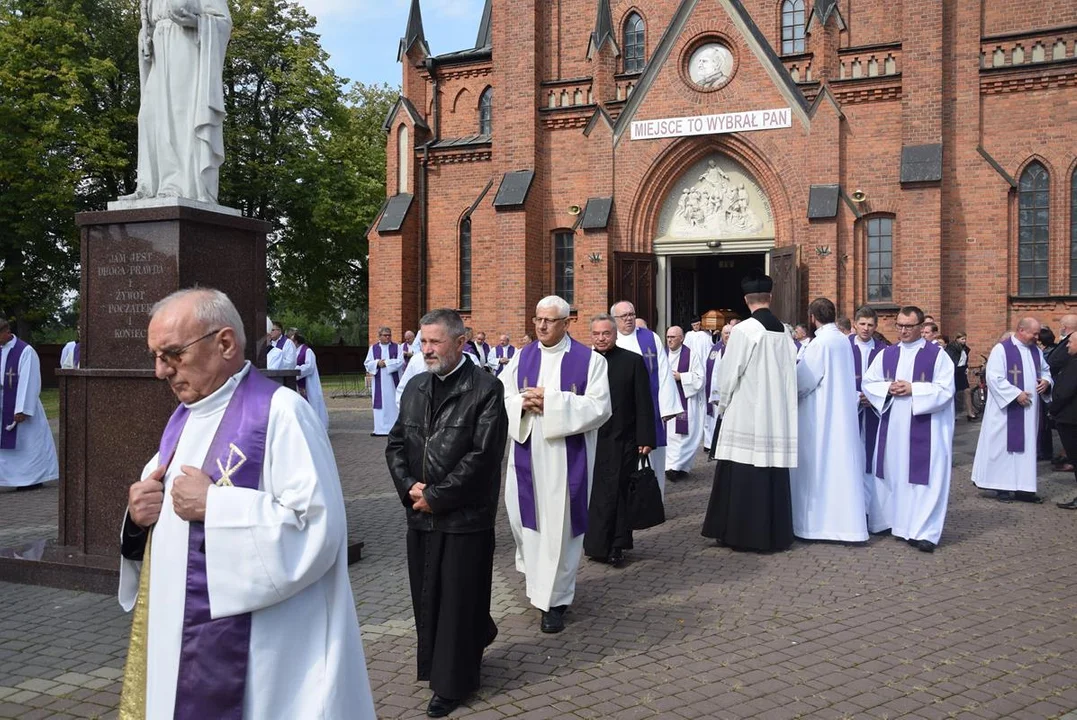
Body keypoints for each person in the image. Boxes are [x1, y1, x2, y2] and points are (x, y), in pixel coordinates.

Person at [118, 288, 374, 719]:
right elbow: (165, 509)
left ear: (224, 344)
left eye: (172, 354)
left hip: (267, 652)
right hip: (182, 636)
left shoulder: (280, 414)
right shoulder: (184, 417)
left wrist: (215, 507)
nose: (160, 371)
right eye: (155, 356)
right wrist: (137, 517)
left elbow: (316, 530)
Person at [386, 308, 508, 718]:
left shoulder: (486, 389)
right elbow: (396, 443)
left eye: (435, 342)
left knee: (457, 601)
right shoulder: (416, 386)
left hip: (464, 519)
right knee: (428, 597)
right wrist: (408, 487)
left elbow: (483, 457)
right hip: (419, 513)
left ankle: (452, 684)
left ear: (460, 341)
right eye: (422, 342)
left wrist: (438, 495)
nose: (426, 350)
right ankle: (467, 642)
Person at [501, 296, 611, 634]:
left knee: (560, 529)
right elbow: (502, 396)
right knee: (526, 523)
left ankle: (556, 602)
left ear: (566, 323)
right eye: (537, 320)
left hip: (567, 458)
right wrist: (522, 402)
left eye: (549, 320)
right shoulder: (522, 357)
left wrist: (551, 402)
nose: (542, 326)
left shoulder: (590, 361)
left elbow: (600, 407)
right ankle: (537, 587)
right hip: (527, 454)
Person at [701, 271, 797, 552]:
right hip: (776, 416)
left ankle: (740, 534)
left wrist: (723, 403)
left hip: (746, 413)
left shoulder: (744, 330)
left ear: (746, 300)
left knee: (742, 472)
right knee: (770, 474)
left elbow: (729, 374)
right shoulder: (784, 331)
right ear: (771, 297)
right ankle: (774, 534)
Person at [862, 306, 955, 552]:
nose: (903, 330)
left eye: (909, 326)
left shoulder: (938, 356)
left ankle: (923, 531)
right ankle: (891, 522)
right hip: (892, 428)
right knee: (892, 472)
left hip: (925, 429)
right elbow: (869, 382)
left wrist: (914, 389)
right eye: (899, 325)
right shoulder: (887, 354)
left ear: (921, 327)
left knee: (923, 480)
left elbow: (946, 390)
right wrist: (887, 388)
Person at [122, 0, 231, 204]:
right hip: (160, 54)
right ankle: (148, 184)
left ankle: (179, 185)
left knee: (179, 116)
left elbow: (222, 23)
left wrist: (192, 21)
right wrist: (145, 37)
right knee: (150, 116)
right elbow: (151, 25)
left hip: (186, 49)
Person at [789, 298, 868, 542]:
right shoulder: (844, 341)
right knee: (840, 467)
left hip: (819, 415)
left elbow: (805, 381)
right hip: (841, 414)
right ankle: (845, 526)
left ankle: (814, 526)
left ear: (813, 318)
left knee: (817, 467)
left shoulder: (819, 343)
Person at [583, 314, 655, 567]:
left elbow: (643, 401)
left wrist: (646, 437)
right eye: (596, 334)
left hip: (622, 438)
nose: (601, 338)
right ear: (590, 335)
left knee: (618, 494)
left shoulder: (632, 361)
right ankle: (594, 545)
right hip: (590, 438)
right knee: (594, 494)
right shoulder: (585, 362)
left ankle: (616, 545)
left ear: (615, 334)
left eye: (606, 333)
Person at [971, 318, 1052, 503]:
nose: (1037, 337)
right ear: (1021, 330)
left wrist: (1047, 382)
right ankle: (1002, 488)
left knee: (1027, 449)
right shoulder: (1001, 350)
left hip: (1029, 411)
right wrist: (1015, 394)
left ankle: (1024, 488)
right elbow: (994, 378)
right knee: (1003, 448)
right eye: (1034, 333)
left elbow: (1046, 370)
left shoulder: (1035, 351)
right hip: (1006, 412)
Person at [611, 301, 682, 496]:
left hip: (649, 408)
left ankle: (654, 500)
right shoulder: (609, 339)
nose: (629, 319)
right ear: (614, 320)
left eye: (631, 314)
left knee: (654, 457)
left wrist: (667, 408)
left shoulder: (650, 338)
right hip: (621, 410)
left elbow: (664, 373)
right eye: (623, 316)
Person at [0, 319, 59, 490]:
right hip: (3, 404)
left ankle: (32, 479)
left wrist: (22, 409)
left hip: (22, 403)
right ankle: (8, 479)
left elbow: (29, 380)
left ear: (6, 332)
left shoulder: (25, 351)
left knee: (28, 445)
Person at [851, 307, 889, 532]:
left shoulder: (885, 351)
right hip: (851, 412)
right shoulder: (844, 348)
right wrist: (857, 396)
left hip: (876, 412)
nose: (866, 329)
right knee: (852, 458)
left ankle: (870, 509)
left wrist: (875, 396)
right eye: (862, 324)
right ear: (854, 324)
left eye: (870, 325)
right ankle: (854, 507)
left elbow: (890, 379)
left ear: (876, 327)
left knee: (872, 460)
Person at [663, 325, 705, 481]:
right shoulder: (663, 354)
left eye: (673, 337)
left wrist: (682, 377)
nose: (669, 340)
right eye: (668, 337)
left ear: (681, 338)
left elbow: (700, 378)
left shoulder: (692, 355)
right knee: (669, 437)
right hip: (667, 403)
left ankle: (679, 466)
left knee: (683, 437)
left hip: (685, 401)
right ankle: (671, 467)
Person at [1049, 330, 1077, 508]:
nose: (1067, 345)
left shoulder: (1074, 364)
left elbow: (1064, 392)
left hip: (1071, 419)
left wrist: (1052, 409)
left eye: (1070, 342)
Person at [364, 326, 405, 436]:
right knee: (380, 404)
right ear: (379, 336)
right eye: (385, 335)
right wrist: (377, 363)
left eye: (389, 335)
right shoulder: (373, 348)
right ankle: (380, 429)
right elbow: (367, 363)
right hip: (379, 382)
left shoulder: (397, 347)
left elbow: (401, 362)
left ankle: (394, 428)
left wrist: (386, 363)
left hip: (393, 382)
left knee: (393, 403)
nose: (388, 337)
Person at [704, 323, 733, 453]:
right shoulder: (715, 349)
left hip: (731, 391)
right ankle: (711, 443)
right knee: (713, 417)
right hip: (715, 390)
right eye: (726, 333)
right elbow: (712, 370)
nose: (728, 335)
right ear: (721, 335)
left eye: (730, 333)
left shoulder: (737, 349)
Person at [292, 333, 329, 430]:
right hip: (299, 384)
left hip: (309, 384)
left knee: (313, 404)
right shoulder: (295, 352)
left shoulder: (307, 351)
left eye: (292, 341)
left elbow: (309, 367)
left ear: (296, 341)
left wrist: (295, 370)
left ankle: (317, 428)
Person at [945, 332, 976, 421]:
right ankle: (951, 414)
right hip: (954, 372)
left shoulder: (965, 349)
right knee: (953, 393)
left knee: (967, 390)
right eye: (962, 339)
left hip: (962, 371)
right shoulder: (951, 348)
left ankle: (970, 413)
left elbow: (964, 360)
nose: (964, 341)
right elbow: (952, 361)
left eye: (965, 339)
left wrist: (966, 367)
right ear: (957, 339)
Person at [1037, 326, 1058, 460]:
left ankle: (1044, 452)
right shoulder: (1055, 350)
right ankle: (1046, 451)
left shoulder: (1046, 353)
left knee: (1043, 423)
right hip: (1050, 390)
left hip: (1045, 391)